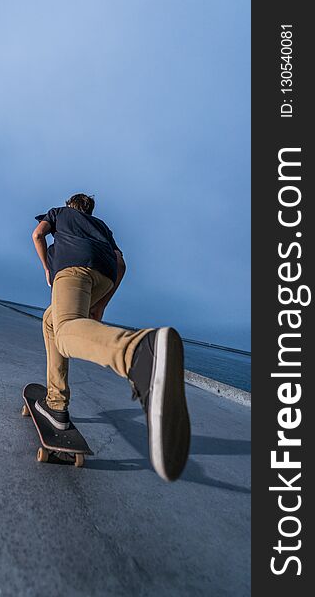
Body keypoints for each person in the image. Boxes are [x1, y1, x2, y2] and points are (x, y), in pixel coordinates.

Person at [32, 193, 190, 481]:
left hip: (72, 271)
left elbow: (38, 235)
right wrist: (102, 302)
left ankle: (138, 353)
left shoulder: (59, 213)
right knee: (50, 320)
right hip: (103, 276)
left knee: (65, 330)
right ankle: (56, 400)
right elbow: (121, 263)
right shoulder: (102, 227)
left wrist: (47, 269)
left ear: (70, 205)